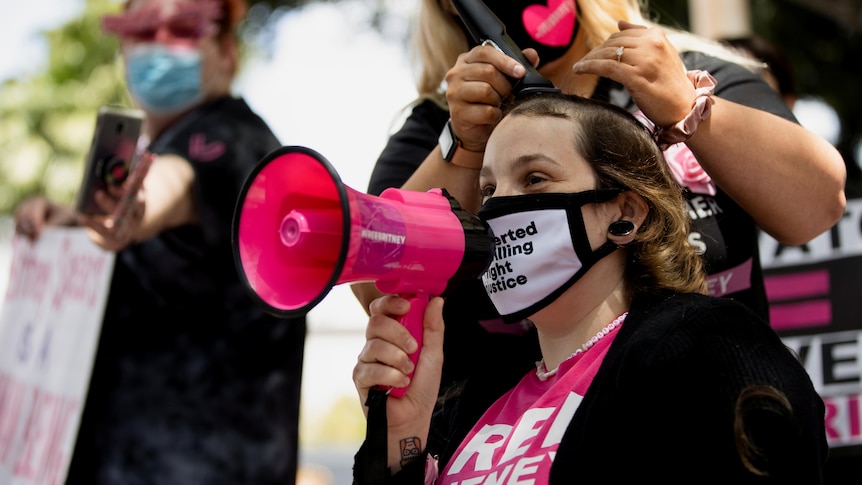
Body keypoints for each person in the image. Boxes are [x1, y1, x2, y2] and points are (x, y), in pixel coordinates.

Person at [350, 0, 846, 424]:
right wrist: (461, 147)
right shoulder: (441, 125)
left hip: (714, 416)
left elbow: (817, 207)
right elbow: (377, 280)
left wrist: (687, 107)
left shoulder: (686, 71)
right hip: (515, 441)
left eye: (534, 177)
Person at [351, 92, 828, 483]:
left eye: (535, 178)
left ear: (625, 213)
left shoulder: (706, 344)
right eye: (490, 190)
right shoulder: (474, 396)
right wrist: (401, 446)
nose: (497, 210)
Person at [13, 0, 306, 483]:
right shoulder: (164, 147)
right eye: (142, 29)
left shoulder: (236, 141)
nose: (159, 45)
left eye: (184, 29)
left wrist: (135, 208)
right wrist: (71, 222)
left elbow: (173, 186)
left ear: (226, 52)